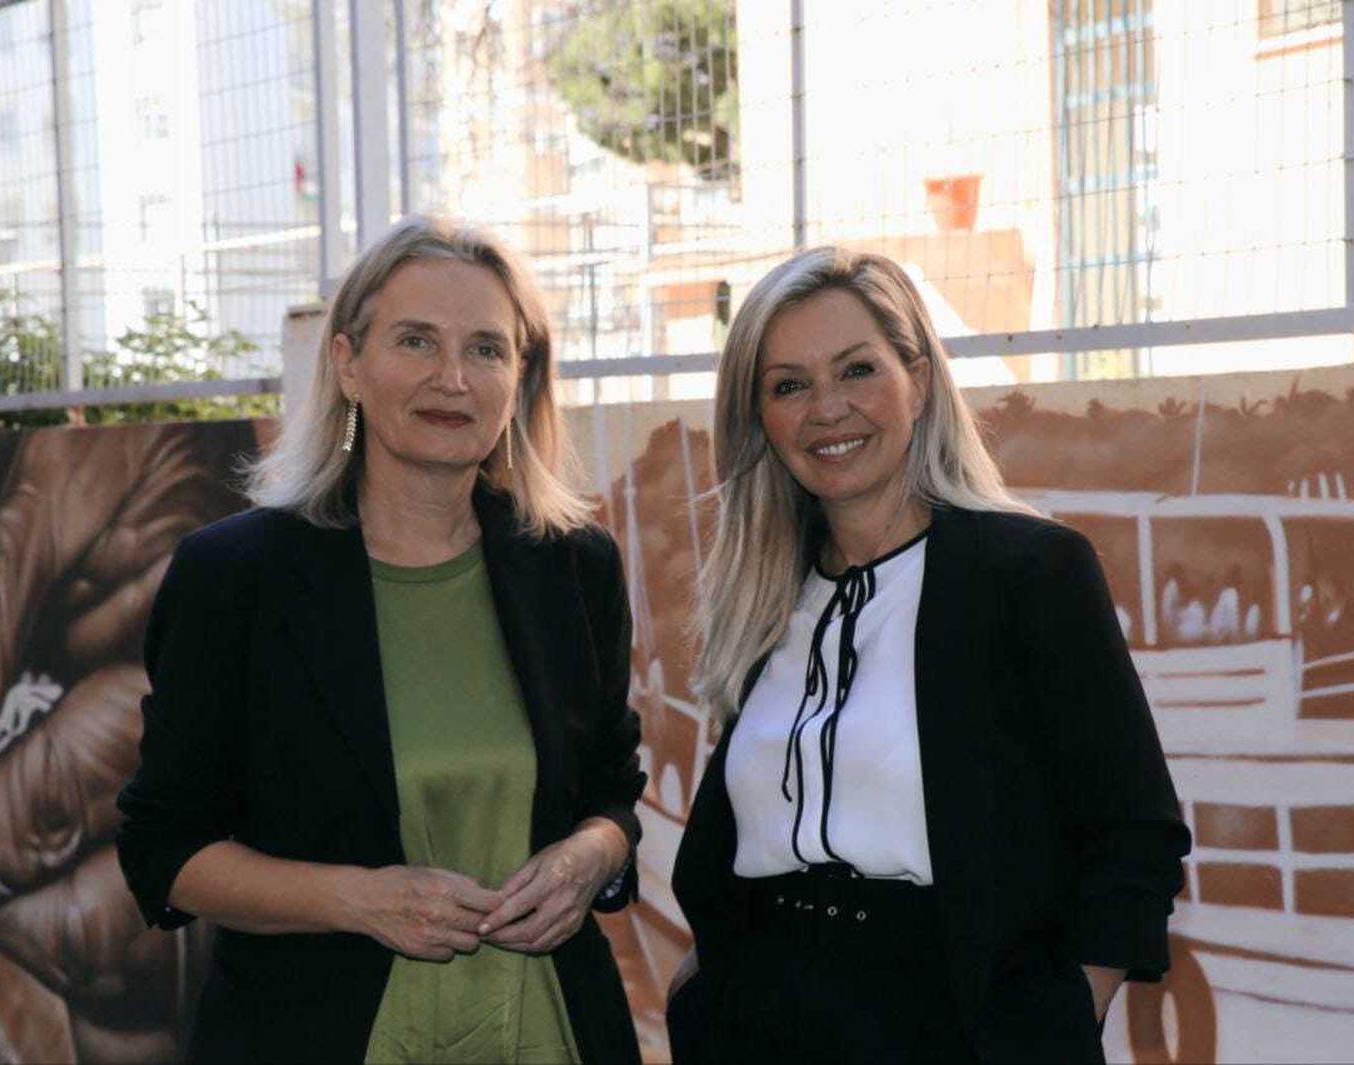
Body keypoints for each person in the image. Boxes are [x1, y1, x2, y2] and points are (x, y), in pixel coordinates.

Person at [116, 217, 645, 1065]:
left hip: (548, 1031)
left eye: (486, 349)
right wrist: (357, 899)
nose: (452, 378)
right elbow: (164, 848)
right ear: (347, 362)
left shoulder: (574, 567)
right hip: (314, 1032)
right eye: (415, 341)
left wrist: (591, 856)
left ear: (521, 377)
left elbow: (612, 790)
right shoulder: (234, 577)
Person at [666, 247, 1190, 1064]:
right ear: (758, 418)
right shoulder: (764, 598)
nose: (828, 409)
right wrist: (702, 994)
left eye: (857, 369)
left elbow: (1134, 834)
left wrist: (1054, 1021)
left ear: (917, 378)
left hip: (956, 1025)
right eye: (789, 384)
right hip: (758, 1022)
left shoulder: (1030, 573)